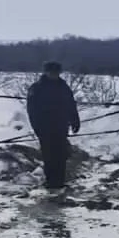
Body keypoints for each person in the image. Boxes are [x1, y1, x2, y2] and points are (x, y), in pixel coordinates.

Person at [25, 61, 81, 190]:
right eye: (51, 72)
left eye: (56, 72)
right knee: (49, 155)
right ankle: (50, 181)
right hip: (45, 127)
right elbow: (32, 110)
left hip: (61, 125)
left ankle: (59, 181)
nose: (54, 75)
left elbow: (71, 105)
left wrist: (75, 120)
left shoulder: (63, 87)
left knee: (61, 154)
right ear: (46, 72)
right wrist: (36, 127)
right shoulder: (37, 88)